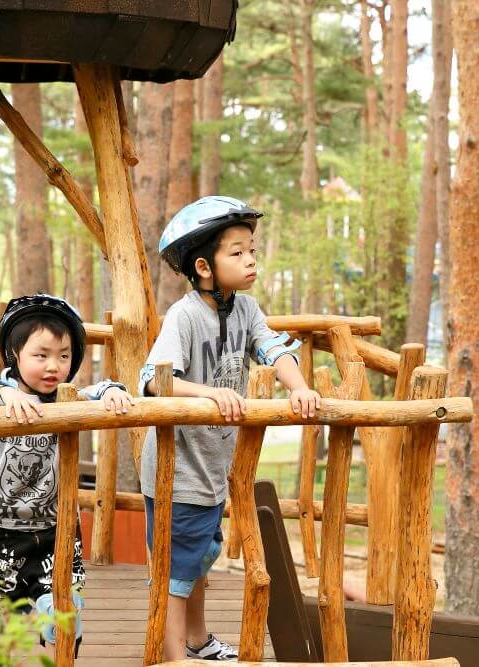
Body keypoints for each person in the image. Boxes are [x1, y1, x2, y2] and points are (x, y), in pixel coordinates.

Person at [140, 196, 322, 661]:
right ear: (204, 267)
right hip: (177, 468)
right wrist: (209, 393)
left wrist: (300, 387)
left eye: (252, 250)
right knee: (177, 568)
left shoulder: (247, 310)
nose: (250, 260)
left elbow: (274, 350)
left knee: (201, 557)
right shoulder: (184, 316)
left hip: (212, 465)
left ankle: (197, 640)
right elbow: (154, 381)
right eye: (237, 252)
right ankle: (173, 655)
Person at [0, 294, 136, 657]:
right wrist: (9, 395)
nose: (53, 366)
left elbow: (96, 390)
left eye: (64, 356)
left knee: (63, 614)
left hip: (56, 532)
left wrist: (113, 391)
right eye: (41, 355)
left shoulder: (66, 400)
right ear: (14, 355)